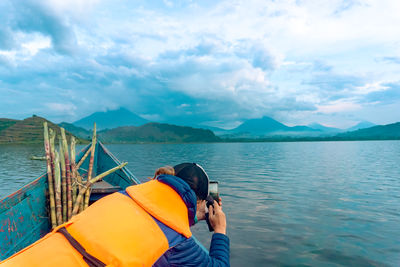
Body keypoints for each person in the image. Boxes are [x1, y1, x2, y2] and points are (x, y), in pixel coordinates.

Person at [0, 163, 229, 267]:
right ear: (200, 201)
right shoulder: (177, 242)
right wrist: (219, 231)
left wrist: (192, 216)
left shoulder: (123, 196)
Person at [152, 163, 230, 266]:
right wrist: (220, 229)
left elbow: (169, 221)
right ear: (199, 202)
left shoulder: (143, 200)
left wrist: (195, 217)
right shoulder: (177, 246)